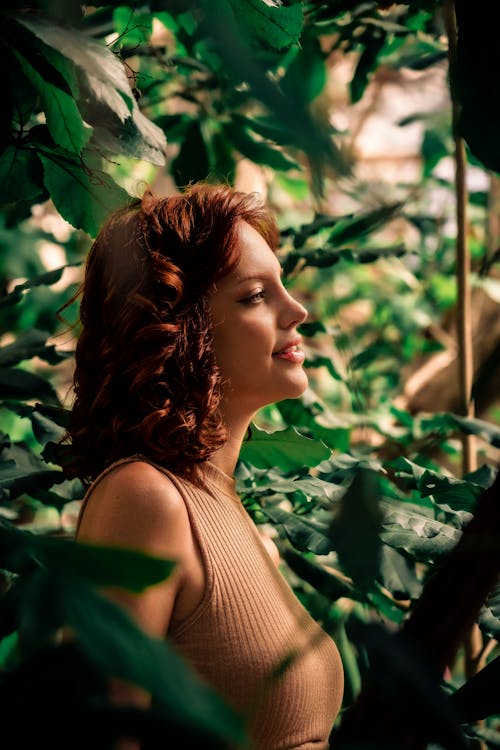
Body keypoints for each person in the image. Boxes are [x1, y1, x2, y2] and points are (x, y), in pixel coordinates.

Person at [67, 183, 344, 749]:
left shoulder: (225, 507)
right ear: (178, 330)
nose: (297, 309)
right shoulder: (144, 499)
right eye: (254, 297)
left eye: (282, 287)